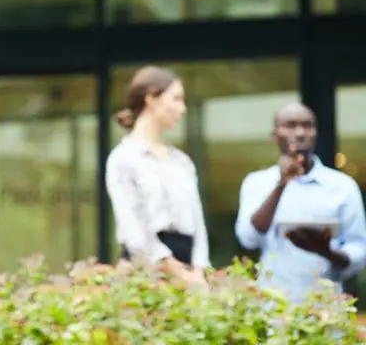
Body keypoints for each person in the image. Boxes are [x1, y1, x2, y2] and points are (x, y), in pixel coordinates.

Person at [235, 102, 366, 304]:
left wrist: (326, 251)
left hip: (325, 309)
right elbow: (248, 238)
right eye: (290, 125)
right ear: (274, 135)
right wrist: (282, 184)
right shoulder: (257, 183)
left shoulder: (342, 187)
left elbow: (359, 250)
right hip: (273, 307)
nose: (300, 132)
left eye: (307, 126)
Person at [105, 66, 210, 287]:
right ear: (151, 99)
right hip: (146, 270)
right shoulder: (124, 159)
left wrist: (198, 271)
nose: (182, 109)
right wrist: (174, 270)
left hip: (190, 269)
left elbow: (197, 221)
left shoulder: (182, 162)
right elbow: (133, 227)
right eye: (176, 99)